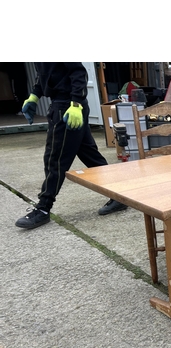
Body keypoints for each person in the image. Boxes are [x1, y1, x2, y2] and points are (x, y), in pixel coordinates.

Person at [15, 62, 127, 229]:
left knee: (55, 159)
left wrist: (76, 103)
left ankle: (43, 208)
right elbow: (45, 74)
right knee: (91, 156)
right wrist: (34, 95)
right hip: (66, 106)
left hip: (68, 108)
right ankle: (119, 196)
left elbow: (78, 73)